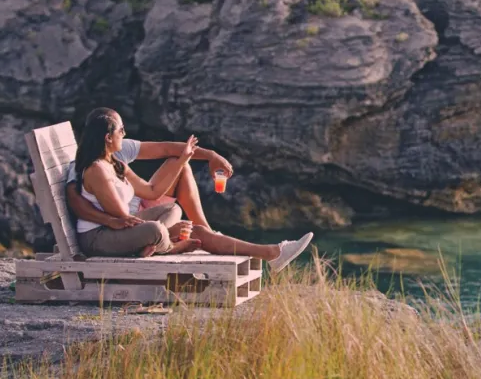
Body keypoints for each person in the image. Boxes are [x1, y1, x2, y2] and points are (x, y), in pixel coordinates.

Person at [67, 107, 312, 267]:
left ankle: (271, 253)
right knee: (165, 230)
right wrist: (163, 233)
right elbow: (119, 215)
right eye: (121, 130)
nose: (125, 133)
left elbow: (152, 192)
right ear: (108, 137)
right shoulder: (96, 169)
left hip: (126, 224)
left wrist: (186, 157)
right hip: (101, 236)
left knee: (173, 211)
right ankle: (172, 247)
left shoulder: (116, 160)